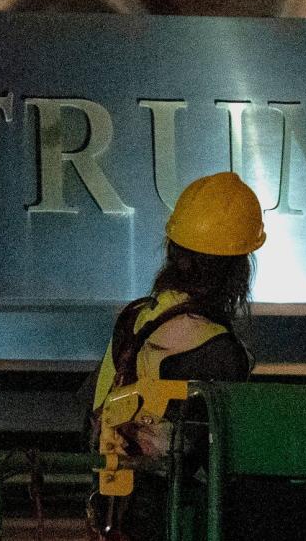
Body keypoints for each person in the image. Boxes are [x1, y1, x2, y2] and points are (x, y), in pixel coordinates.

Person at [86, 171, 265, 540]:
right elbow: (225, 461)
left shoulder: (134, 319)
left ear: (172, 248)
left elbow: (90, 406)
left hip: (115, 510)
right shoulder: (218, 350)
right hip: (175, 520)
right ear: (238, 269)